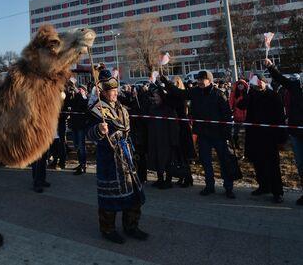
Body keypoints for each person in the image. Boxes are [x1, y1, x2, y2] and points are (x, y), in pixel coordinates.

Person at [87, 69, 148, 244]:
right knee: (110, 198)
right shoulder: (96, 110)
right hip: (109, 158)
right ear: (103, 92)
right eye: (111, 91)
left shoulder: (121, 108)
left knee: (134, 193)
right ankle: (108, 229)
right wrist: (98, 130)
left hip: (126, 155)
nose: (115, 93)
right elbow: (88, 134)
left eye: (115, 90)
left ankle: (131, 226)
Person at [161, 70, 236, 199]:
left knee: (224, 162)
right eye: (199, 79)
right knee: (206, 162)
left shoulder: (219, 95)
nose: (200, 81)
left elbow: (226, 116)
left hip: (219, 135)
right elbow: (180, 93)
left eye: (203, 79)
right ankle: (209, 186)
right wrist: (166, 83)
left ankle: (228, 188)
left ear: (210, 80)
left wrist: (228, 134)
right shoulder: (195, 92)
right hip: (203, 134)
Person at [236, 72, 287, 203]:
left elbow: (280, 117)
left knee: (273, 165)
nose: (258, 86)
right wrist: (248, 92)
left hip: (270, 136)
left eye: (260, 82)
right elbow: (241, 105)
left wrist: (281, 138)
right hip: (255, 135)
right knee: (258, 163)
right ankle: (263, 186)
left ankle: (277, 192)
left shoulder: (274, 96)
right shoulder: (251, 95)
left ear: (265, 82)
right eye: (255, 83)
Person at [264, 59, 303, 205]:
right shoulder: (295, 88)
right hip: (296, 134)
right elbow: (280, 79)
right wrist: (271, 67)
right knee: (300, 165)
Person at [70, 84, 89, 175]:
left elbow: (82, 104)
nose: (80, 90)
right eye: (79, 89)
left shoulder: (85, 99)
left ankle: (83, 165)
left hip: (81, 126)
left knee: (81, 146)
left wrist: (79, 93)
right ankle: (80, 163)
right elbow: (71, 104)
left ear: (85, 91)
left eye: (82, 90)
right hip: (74, 125)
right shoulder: (76, 98)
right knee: (76, 145)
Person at [229, 79, 249, 151]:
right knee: (236, 132)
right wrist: (230, 110)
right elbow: (230, 102)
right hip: (237, 115)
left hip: (247, 115)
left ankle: (247, 146)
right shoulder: (234, 94)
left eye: (242, 84)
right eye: (239, 84)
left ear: (245, 85)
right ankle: (236, 144)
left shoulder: (248, 93)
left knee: (248, 132)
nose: (240, 86)